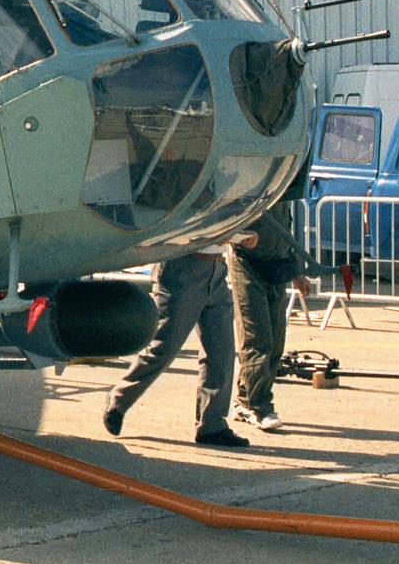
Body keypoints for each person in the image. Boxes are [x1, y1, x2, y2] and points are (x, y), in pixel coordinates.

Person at [103, 247, 250, 447]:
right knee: (164, 347)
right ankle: (119, 398)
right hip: (183, 267)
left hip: (216, 269)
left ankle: (212, 424)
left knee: (221, 352)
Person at [229, 174, 315, 433]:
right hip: (248, 265)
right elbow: (225, 221)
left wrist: (297, 273)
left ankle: (244, 399)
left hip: (276, 268)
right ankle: (260, 406)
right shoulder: (248, 184)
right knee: (258, 340)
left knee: (276, 341)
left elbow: (284, 235)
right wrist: (240, 236)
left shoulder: (281, 189)